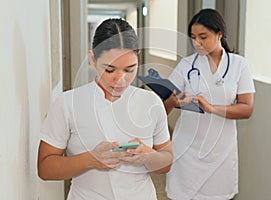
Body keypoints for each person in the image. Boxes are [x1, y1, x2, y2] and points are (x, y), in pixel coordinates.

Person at [37, 18, 173, 200]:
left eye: (129, 69)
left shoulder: (151, 103)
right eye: (110, 70)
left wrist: (148, 156)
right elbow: (45, 169)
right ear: (92, 59)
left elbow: (166, 163)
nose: (120, 80)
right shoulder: (67, 103)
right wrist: (90, 159)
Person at [164, 9, 255, 200]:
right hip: (186, 148)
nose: (197, 43)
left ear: (219, 34)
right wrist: (173, 100)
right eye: (193, 37)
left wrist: (212, 108)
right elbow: (165, 103)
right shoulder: (186, 65)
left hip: (221, 151)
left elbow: (246, 109)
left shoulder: (239, 65)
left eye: (203, 37)